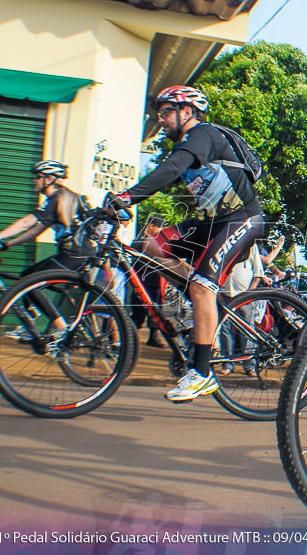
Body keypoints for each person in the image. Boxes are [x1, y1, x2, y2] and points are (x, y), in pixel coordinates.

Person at [105, 85, 264, 402]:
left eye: (166, 112)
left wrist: (127, 197)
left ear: (186, 112)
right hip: (211, 222)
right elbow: (169, 173)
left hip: (242, 219)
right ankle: (202, 300)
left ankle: (202, 373)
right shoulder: (188, 144)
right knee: (149, 246)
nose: (160, 119)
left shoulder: (202, 133)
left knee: (203, 285)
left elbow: (172, 168)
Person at [0, 160, 93, 341]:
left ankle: (62, 329)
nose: (33, 181)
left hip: (74, 253)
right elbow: (35, 231)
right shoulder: (68, 197)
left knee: (30, 283)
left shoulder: (57, 199)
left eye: (37, 177)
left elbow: (26, 223)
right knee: (27, 275)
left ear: (50, 179)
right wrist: (7, 244)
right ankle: (29, 325)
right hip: (81, 253)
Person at [218, 243, 266, 376]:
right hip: (225, 296)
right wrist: (217, 292)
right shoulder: (225, 244)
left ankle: (249, 365)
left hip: (244, 297)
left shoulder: (252, 247)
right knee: (225, 331)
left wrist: (249, 294)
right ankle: (227, 364)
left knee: (248, 331)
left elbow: (258, 274)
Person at [131, 215, 167, 347]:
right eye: (159, 227)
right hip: (141, 281)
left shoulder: (158, 242)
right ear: (151, 226)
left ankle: (153, 337)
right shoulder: (138, 241)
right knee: (138, 312)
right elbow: (133, 263)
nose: (160, 230)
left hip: (156, 281)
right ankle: (130, 339)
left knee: (156, 312)